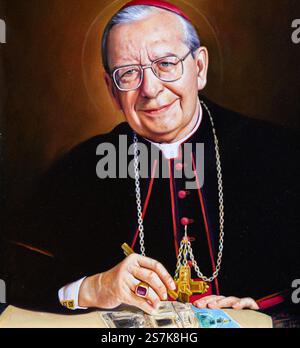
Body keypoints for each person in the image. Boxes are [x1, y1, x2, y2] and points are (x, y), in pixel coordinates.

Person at [4, 0, 299, 315]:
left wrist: (262, 307)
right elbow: (15, 273)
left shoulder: (276, 151)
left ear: (199, 68)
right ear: (112, 90)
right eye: (128, 73)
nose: (150, 88)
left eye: (166, 64)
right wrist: (94, 287)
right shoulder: (82, 168)